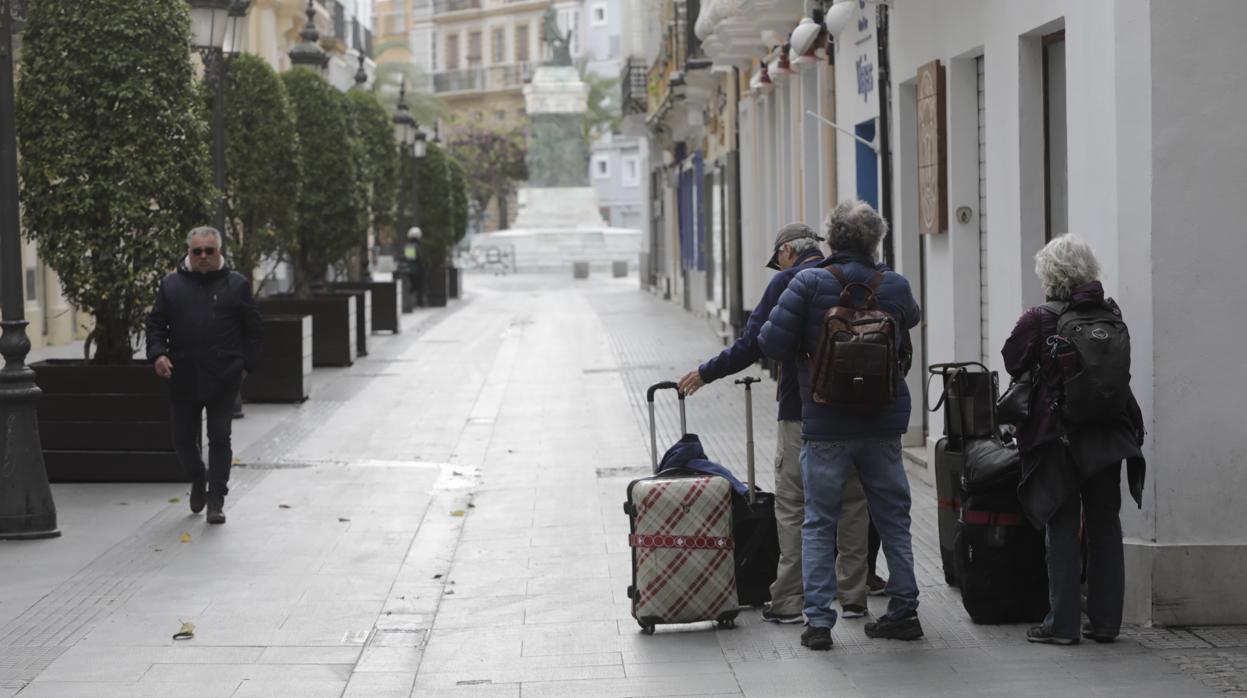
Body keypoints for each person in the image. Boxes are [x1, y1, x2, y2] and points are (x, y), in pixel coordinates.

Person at [679, 222, 878, 624]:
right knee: (854, 502)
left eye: (779, 258)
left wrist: (706, 372)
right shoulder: (860, 278)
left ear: (787, 251)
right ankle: (853, 594)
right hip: (862, 410)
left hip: (803, 411)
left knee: (794, 504)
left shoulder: (791, 281)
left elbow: (753, 343)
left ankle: (789, 599)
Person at [758, 200, 922, 650]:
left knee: (818, 520)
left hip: (826, 422)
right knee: (893, 518)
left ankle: (818, 622)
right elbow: (911, 319)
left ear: (831, 239)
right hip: (883, 422)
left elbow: (770, 341)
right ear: (876, 241)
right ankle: (904, 609)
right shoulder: (894, 285)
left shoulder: (808, 283)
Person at [1002, 233, 1145, 645]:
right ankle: (1105, 623)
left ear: (1048, 273)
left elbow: (1013, 361)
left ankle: (1062, 625)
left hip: (1057, 436)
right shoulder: (1110, 312)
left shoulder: (1039, 317)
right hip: (1109, 434)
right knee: (1104, 526)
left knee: (1061, 527)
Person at [146, 226, 263, 525]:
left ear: (219, 251)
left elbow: (253, 329)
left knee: (220, 437)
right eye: (197, 251)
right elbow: (156, 324)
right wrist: (158, 354)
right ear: (188, 252)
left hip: (224, 376)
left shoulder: (236, 285)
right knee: (183, 440)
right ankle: (198, 476)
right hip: (182, 375)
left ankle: (216, 501)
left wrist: (246, 366)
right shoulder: (170, 285)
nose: (203, 257)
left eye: (209, 251)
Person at [400, 226, 426, 309]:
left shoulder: (408, 246)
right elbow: (419, 259)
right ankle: (418, 303)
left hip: (409, 270)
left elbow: (407, 258)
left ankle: (412, 303)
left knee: (412, 287)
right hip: (416, 271)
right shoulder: (416, 247)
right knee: (418, 287)